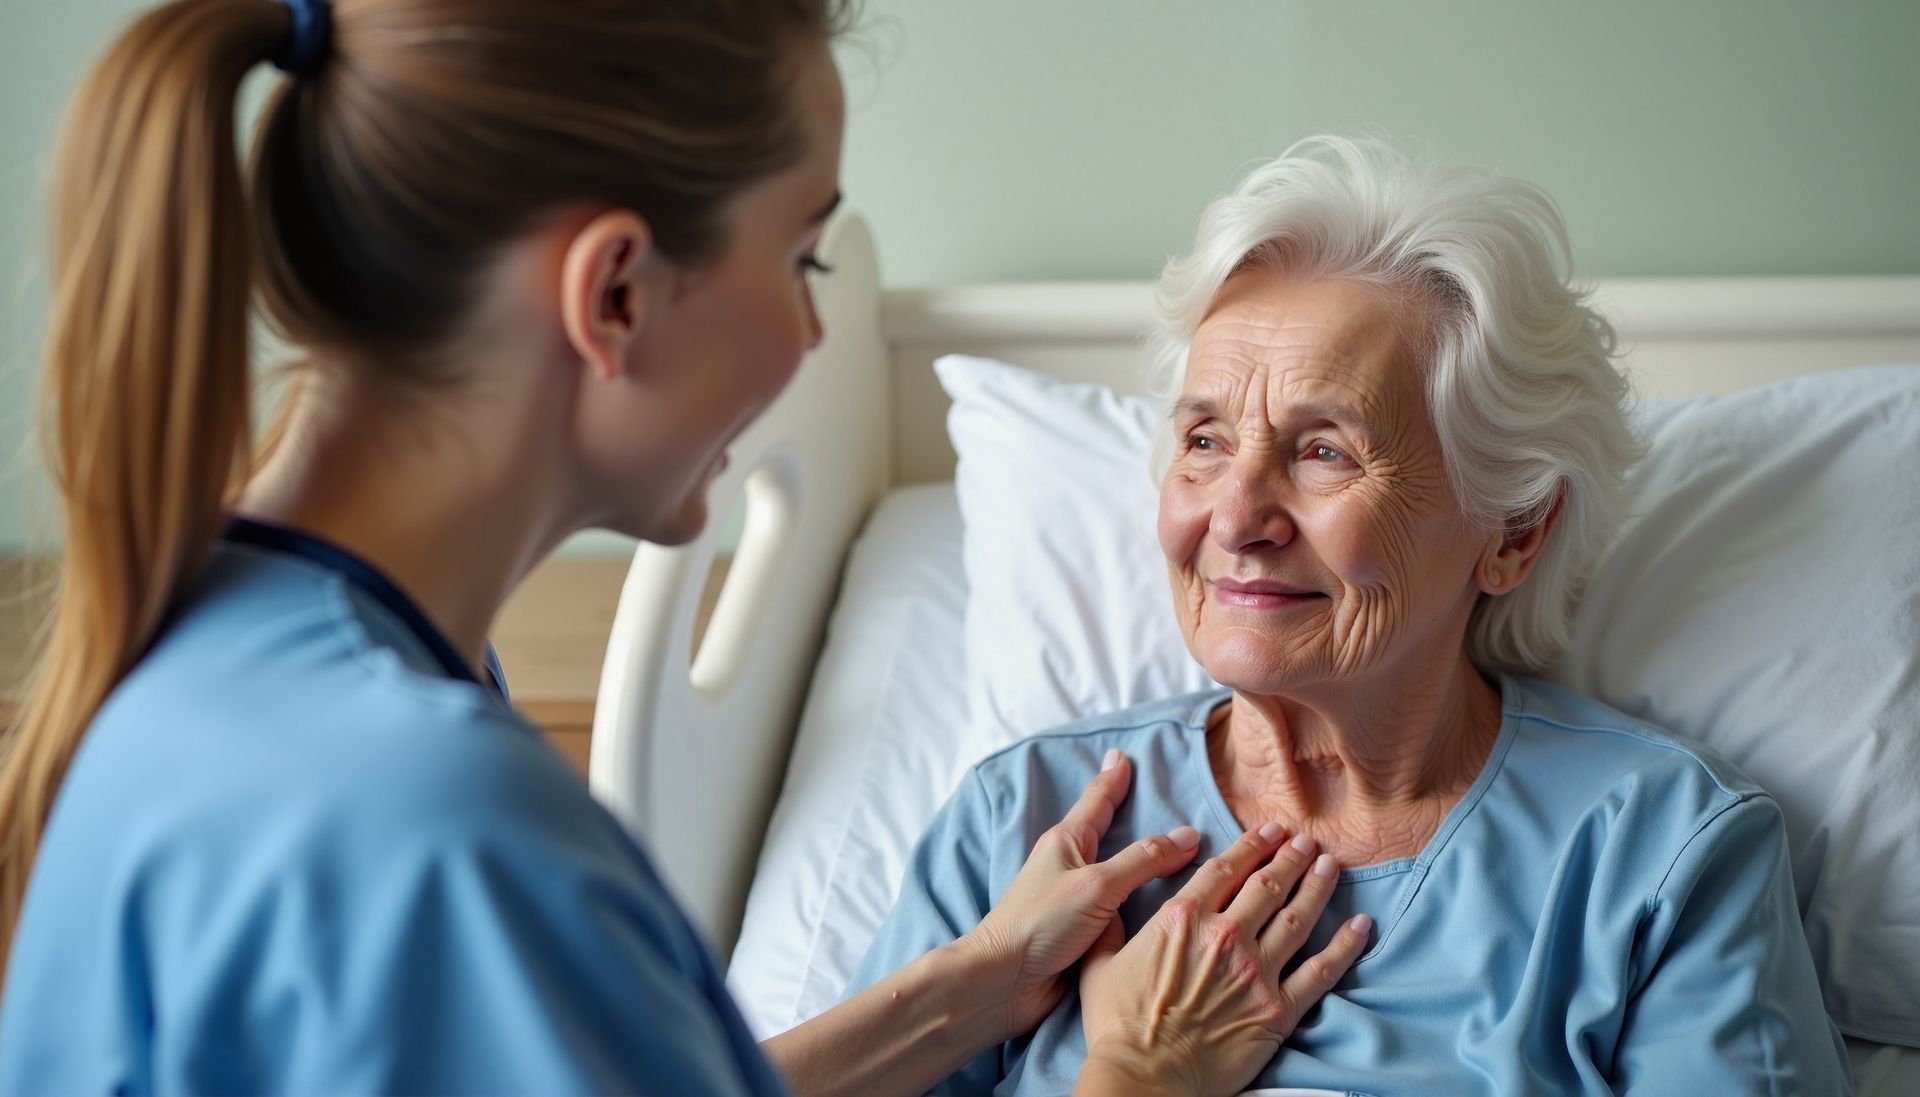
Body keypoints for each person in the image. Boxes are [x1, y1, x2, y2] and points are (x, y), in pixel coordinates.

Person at [0, 3, 1373, 1095]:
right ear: (614, 295)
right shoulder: (446, 831)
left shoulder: (232, 644)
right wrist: (1133, 1077)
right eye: (804, 262)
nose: (813, 339)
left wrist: (972, 983)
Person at [848, 136, 1855, 1094]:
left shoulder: (1659, 862)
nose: (1236, 515)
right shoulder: (1025, 827)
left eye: (1324, 449)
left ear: (1512, 529)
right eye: (1205, 438)